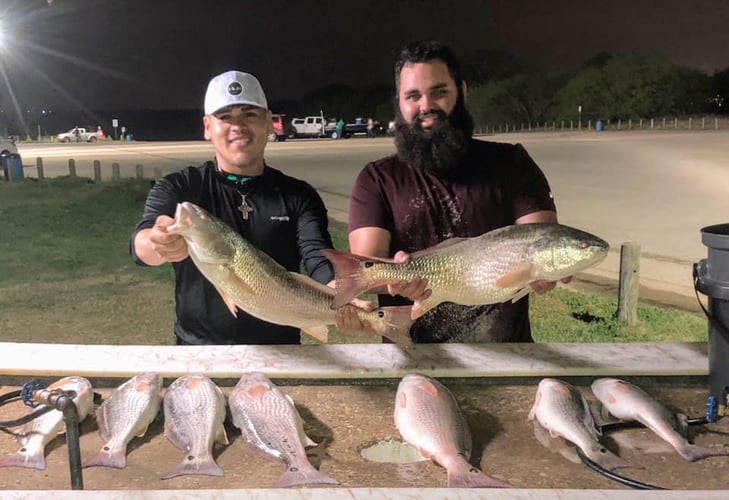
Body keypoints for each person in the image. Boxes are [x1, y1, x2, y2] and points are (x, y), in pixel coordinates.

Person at [345, 41, 564, 344]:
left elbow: (542, 242)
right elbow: (362, 268)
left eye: (439, 92)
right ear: (400, 102)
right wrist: (400, 280)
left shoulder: (512, 163)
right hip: (412, 360)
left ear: (461, 91)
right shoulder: (377, 179)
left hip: (505, 357)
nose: (426, 106)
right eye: (413, 96)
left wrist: (546, 274)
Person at [130, 70, 361, 345]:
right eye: (225, 117)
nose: (237, 125)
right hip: (197, 353)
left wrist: (342, 295)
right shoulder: (181, 187)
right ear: (207, 126)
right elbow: (141, 243)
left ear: (268, 122)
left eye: (249, 114)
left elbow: (317, 257)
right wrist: (158, 244)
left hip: (284, 354)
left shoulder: (299, 195)